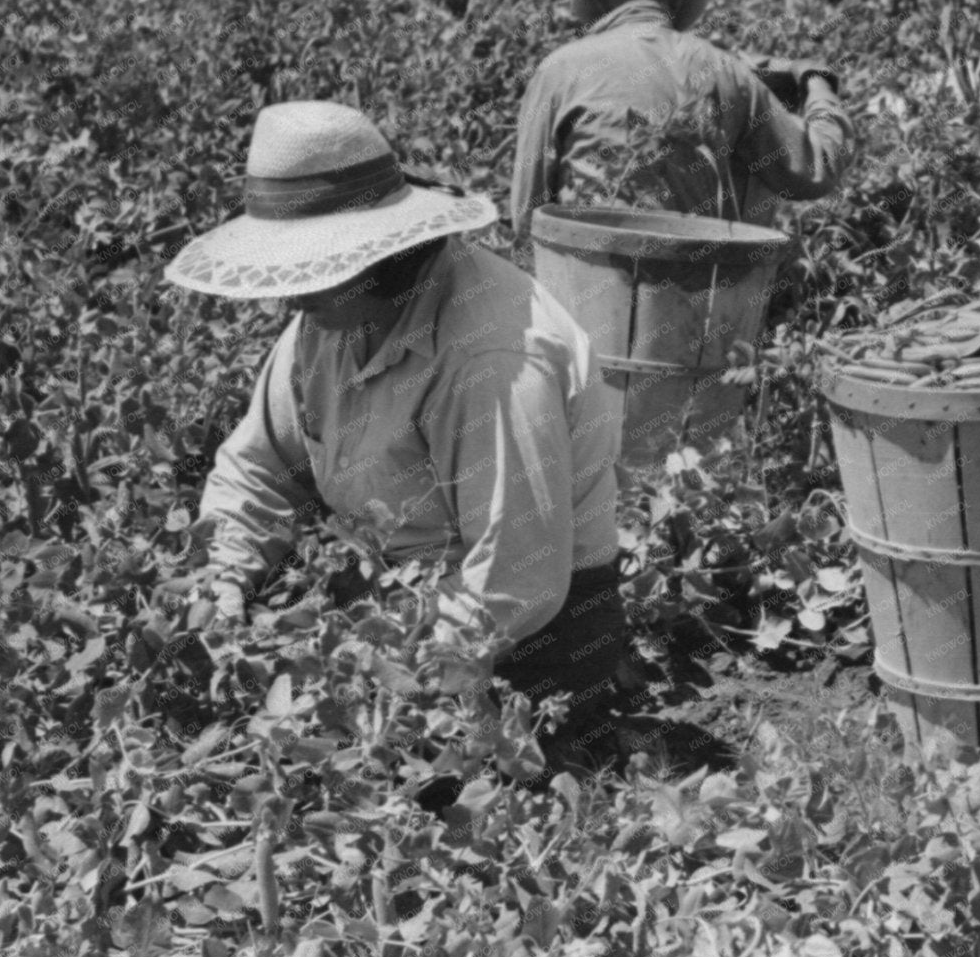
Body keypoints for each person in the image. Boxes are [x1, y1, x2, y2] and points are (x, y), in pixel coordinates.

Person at [167, 101, 632, 765]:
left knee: (379, 781)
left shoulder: (490, 358)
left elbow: (515, 582)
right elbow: (259, 467)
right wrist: (224, 579)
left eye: (314, 269)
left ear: (382, 254)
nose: (291, 298)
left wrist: (366, 668)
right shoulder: (329, 319)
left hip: (528, 633)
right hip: (394, 595)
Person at [509, 0, 857, 239]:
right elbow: (815, 171)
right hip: (700, 290)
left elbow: (527, 214)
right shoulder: (726, 71)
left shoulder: (558, 70)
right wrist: (817, 83)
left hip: (580, 281)